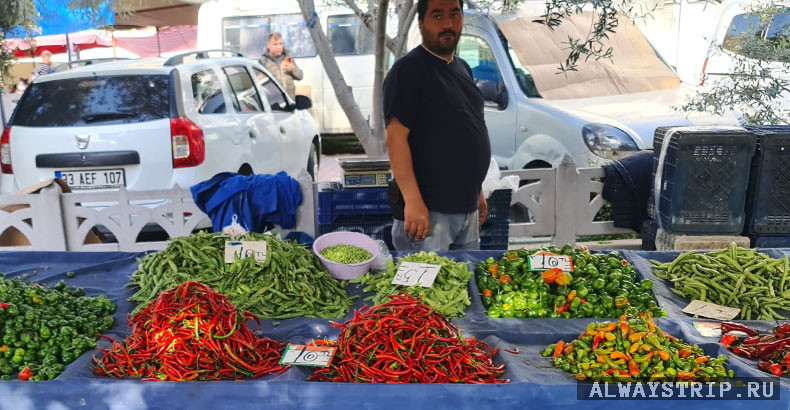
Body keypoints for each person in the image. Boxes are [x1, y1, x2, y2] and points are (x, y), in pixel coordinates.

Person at [384, 0, 491, 251]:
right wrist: (412, 201)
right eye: (438, 16)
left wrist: (478, 193)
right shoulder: (408, 71)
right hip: (429, 214)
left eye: (455, 15)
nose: (448, 24)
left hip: (466, 209)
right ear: (421, 24)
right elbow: (395, 139)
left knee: (464, 286)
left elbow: (467, 131)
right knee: (424, 290)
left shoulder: (462, 68)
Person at [260, 32, 303, 99]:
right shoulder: (263, 61)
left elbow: (300, 76)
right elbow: (259, 82)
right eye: (275, 44)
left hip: (290, 102)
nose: (279, 47)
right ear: (268, 45)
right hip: (274, 104)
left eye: (280, 44)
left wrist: (293, 70)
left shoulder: (288, 57)